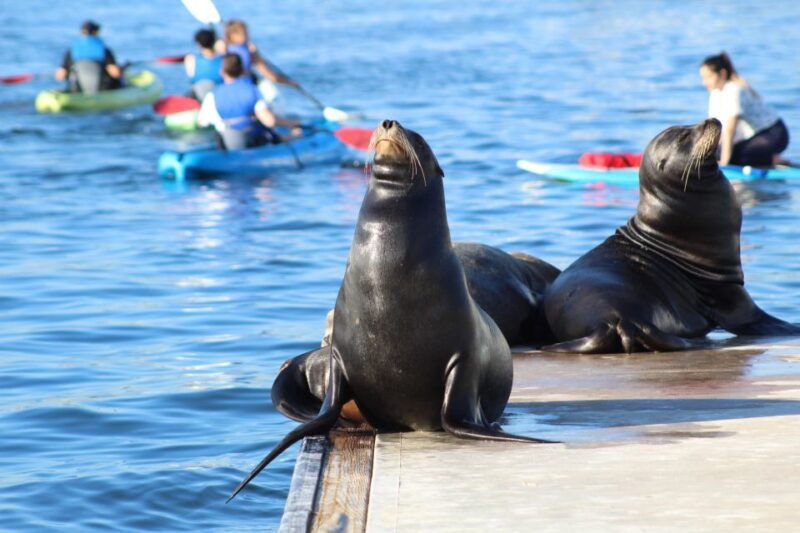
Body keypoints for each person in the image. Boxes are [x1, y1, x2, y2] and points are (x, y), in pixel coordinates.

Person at [700, 52, 790, 167]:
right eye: (703, 78)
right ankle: (764, 158)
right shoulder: (715, 94)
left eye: (709, 77)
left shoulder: (734, 91)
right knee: (711, 153)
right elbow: (716, 131)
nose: (704, 82)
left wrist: (725, 162)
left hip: (774, 133)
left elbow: (730, 130)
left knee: (733, 156)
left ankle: (773, 160)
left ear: (722, 74)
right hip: (752, 136)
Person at [197, 53, 302, 150]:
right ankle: (293, 136)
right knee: (273, 132)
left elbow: (202, 122)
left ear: (222, 72)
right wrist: (292, 123)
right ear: (243, 70)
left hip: (226, 143)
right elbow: (270, 121)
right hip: (250, 142)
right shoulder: (252, 90)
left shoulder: (213, 94)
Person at [214, 19, 299, 89]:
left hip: (223, 87)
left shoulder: (221, 48)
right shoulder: (249, 52)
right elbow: (271, 77)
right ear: (234, 35)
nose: (248, 37)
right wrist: (289, 82)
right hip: (245, 87)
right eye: (245, 34)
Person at [55, 20, 121, 94]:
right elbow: (115, 73)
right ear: (95, 33)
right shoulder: (104, 50)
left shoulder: (71, 51)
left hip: (77, 91)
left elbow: (60, 76)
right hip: (102, 90)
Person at [184, 28, 224, 101]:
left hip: (199, 97)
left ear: (199, 44)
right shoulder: (224, 60)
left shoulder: (191, 59)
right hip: (219, 98)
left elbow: (191, 76)